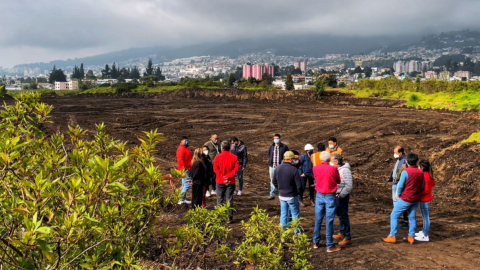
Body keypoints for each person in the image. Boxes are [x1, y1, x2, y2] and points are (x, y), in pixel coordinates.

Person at [383, 153, 424, 244]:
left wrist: (398, 194)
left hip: (406, 198)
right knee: (412, 217)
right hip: (415, 198)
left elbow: (400, 185)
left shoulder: (406, 172)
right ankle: (411, 236)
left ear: (407, 161)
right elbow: (422, 186)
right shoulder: (421, 172)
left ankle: (392, 236)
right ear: (416, 161)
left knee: (394, 215)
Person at [312, 151, 342, 252]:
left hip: (319, 195)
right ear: (329, 159)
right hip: (330, 195)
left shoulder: (315, 168)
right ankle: (330, 245)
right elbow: (339, 181)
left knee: (318, 219)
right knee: (329, 220)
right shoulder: (333, 169)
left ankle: (315, 241)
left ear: (320, 159)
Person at [273, 151, 303, 232]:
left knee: (283, 215)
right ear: (290, 159)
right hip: (292, 196)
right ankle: (297, 234)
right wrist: (298, 193)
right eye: (293, 159)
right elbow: (299, 185)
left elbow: (274, 181)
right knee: (295, 215)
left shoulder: (277, 168)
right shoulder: (294, 170)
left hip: (282, 195)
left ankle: (283, 234)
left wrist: (279, 189)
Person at [214, 141, 239, 223]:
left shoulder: (217, 157)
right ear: (230, 148)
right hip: (230, 181)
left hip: (220, 181)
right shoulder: (234, 157)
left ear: (221, 148)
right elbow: (236, 169)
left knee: (220, 199)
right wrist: (228, 177)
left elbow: (215, 169)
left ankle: (220, 216)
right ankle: (229, 217)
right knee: (229, 199)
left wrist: (223, 177)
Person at [331, 154, 353, 246]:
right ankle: (342, 232)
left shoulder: (345, 171)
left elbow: (349, 186)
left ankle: (347, 237)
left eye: (331, 161)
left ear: (336, 162)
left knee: (344, 215)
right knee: (340, 215)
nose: (330, 162)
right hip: (338, 195)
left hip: (342, 196)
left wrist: (341, 195)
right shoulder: (337, 169)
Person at [415, 160, 436, 242]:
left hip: (424, 199)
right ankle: (424, 231)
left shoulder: (425, 176)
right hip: (427, 198)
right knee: (425, 217)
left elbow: (425, 190)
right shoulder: (428, 175)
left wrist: (418, 193)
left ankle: (425, 235)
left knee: (426, 218)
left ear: (422, 167)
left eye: (419, 166)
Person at [388, 146, 408, 226]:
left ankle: (405, 218)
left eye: (396, 153)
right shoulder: (398, 160)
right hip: (395, 183)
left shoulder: (404, 161)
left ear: (400, 153)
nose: (394, 154)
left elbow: (403, 173)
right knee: (395, 201)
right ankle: (397, 215)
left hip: (399, 183)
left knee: (400, 201)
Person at [267, 134, 289, 200]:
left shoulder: (284, 147)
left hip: (281, 166)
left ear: (280, 139)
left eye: (277, 138)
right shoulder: (271, 146)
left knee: (282, 180)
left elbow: (287, 155)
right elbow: (269, 154)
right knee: (272, 180)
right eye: (275, 138)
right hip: (272, 166)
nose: (276, 140)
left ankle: (282, 193)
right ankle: (272, 194)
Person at [176, 136, 192, 204]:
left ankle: (183, 199)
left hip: (187, 168)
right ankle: (181, 199)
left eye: (187, 140)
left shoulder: (186, 148)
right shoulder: (181, 149)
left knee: (183, 184)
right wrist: (184, 169)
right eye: (185, 140)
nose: (186, 142)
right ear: (181, 141)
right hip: (184, 169)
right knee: (187, 185)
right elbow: (180, 160)